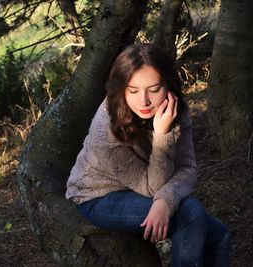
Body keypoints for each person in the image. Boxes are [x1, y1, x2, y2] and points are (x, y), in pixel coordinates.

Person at [66, 43, 230, 267]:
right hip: (99, 196)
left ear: (168, 85)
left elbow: (188, 168)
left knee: (219, 236)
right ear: (121, 88)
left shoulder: (174, 109)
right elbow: (150, 187)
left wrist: (164, 201)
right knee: (190, 216)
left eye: (153, 90)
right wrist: (162, 135)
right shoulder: (106, 129)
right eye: (133, 90)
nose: (143, 101)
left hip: (148, 186)